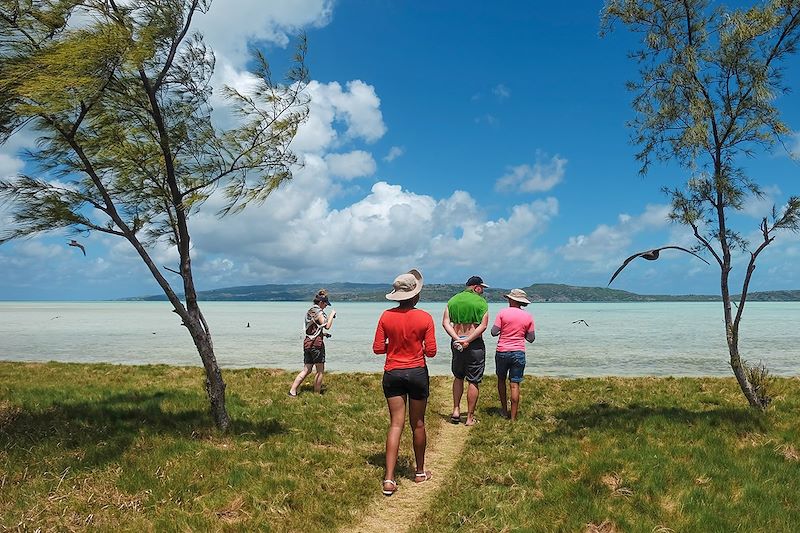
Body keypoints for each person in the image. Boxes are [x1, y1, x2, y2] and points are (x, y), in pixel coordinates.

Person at [372, 269, 437, 496]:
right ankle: (419, 472)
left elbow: (378, 348)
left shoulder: (385, 316)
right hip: (417, 373)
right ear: (415, 295)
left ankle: (389, 479)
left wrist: (395, 347)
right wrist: (414, 347)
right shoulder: (425, 318)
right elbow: (431, 352)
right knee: (417, 424)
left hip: (393, 373)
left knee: (395, 424)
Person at [442, 275, 489, 426]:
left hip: (457, 342)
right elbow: (483, 326)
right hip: (474, 343)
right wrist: (468, 340)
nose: (482, 292)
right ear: (476, 287)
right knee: (473, 380)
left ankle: (456, 410)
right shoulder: (481, 302)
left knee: (458, 376)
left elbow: (445, 323)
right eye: (482, 288)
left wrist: (457, 338)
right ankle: (469, 418)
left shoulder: (453, 300)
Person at [490, 288, 535, 421]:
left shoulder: (502, 313)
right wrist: (521, 332)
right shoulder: (528, 316)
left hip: (502, 351)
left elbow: (493, 332)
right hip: (518, 352)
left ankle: (504, 410)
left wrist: (504, 329)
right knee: (515, 384)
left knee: (501, 380)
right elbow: (531, 338)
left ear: (511, 299)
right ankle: (514, 418)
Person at [289, 289, 335, 396]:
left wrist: (323, 334)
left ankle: (292, 391)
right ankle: (316, 394)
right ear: (321, 302)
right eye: (325, 304)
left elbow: (312, 329)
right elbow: (327, 325)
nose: (326, 306)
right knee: (320, 371)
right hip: (316, 345)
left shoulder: (309, 311)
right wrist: (332, 315)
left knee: (307, 369)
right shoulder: (318, 311)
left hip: (307, 343)